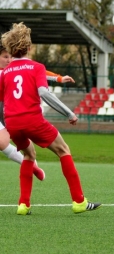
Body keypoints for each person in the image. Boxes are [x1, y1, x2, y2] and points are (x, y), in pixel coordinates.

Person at [0, 22, 101, 215]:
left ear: (11, 49)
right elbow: (44, 94)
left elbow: (2, 98)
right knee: (63, 150)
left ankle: (23, 205)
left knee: (29, 155)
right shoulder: (37, 67)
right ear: (29, 47)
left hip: (12, 124)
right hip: (32, 120)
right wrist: (69, 113)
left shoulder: (5, 73)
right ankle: (79, 201)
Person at [0, 42, 75, 181]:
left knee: (4, 142)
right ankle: (32, 166)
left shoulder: (10, 71)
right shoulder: (5, 72)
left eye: (10, 57)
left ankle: (31, 163)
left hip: (11, 113)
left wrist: (58, 78)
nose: (9, 60)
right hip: (5, 113)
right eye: (5, 57)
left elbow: (37, 71)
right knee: (2, 143)